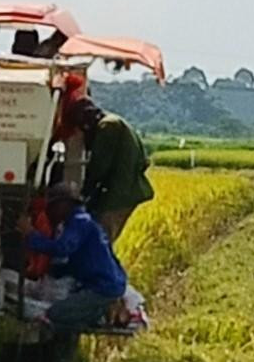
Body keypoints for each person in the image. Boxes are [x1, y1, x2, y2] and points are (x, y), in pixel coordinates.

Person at [19, 183, 127, 330]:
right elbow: (78, 262)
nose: (50, 212)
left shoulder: (79, 222)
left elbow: (62, 248)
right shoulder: (85, 221)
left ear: (64, 205)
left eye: (53, 206)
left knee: (55, 314)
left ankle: (103, 312)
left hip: (101, 287)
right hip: (109, 283)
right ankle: (101, 311)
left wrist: (31, 235)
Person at [67, 98, 154, 243]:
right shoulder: (115, 122)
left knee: (101, 241)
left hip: (119, 195)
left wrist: (83, 194)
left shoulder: (108, 126)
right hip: (125, 191)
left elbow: (99, 166)